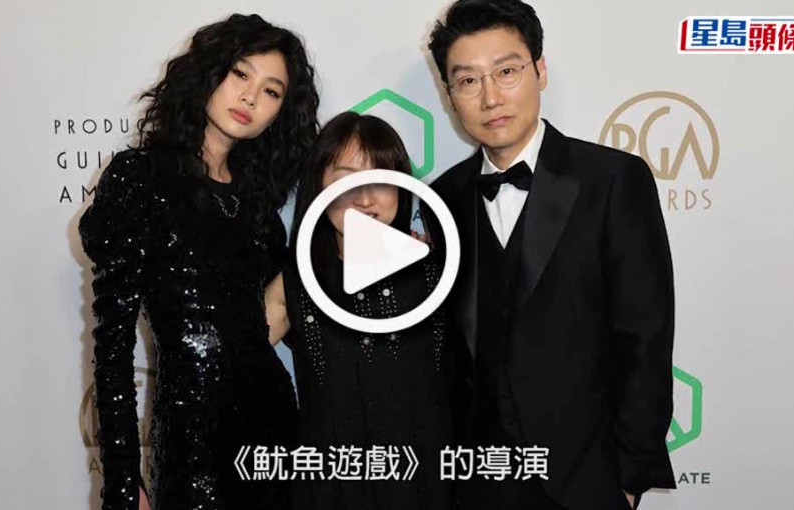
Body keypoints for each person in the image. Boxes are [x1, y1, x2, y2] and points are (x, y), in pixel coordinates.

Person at [424, 1, 676, 509]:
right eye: (468, 80)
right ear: (449, 96)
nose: (490, 97)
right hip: (479, 482)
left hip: (587, 478)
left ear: (539, 70)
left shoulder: (612, 179)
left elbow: (645, 336)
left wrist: (628, 479)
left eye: (507, 71)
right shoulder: (442, 198)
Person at [78, 14, 319, 510]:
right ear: (208, 72)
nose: (250, 97)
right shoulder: (139, 177)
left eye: (271, 91)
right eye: (240, 73)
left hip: (274, 435)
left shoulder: (258, 208)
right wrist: (123, 480)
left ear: (280, 112)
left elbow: (270, 324)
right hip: (191, 446)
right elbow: (112, 345)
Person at [264, 112, 458, 510]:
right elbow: (228, 367)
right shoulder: (294, 283)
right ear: (318, 186)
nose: (365, 197)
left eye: (381, 179)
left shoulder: (438, 271)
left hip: (427, 487)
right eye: (345, 179)